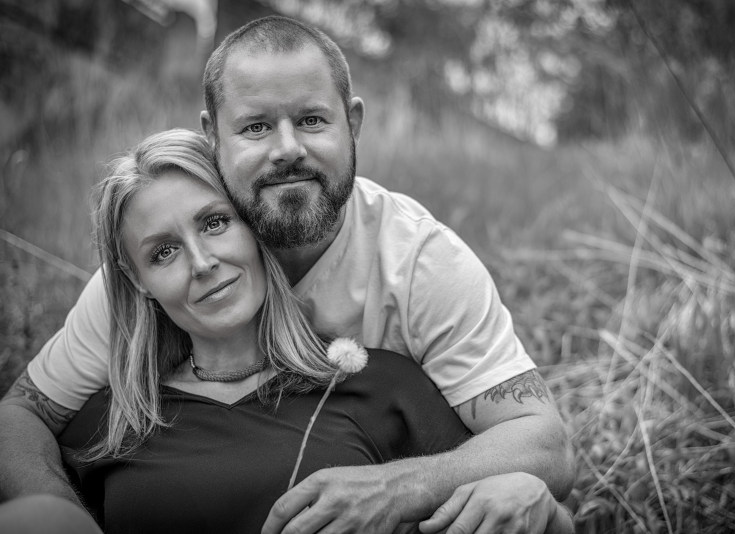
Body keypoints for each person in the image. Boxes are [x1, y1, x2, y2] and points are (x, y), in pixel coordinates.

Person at [0, 15, 574, 534]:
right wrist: (58, 515)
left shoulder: (421, 262)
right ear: (212, 137)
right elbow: (21, 415)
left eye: (312, 120)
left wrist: (396, 487)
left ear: (352, 124)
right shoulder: (154, 275)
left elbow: (543, 444)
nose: (287, 149)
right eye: (255, 127)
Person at [53, 127, 480, 533]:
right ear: (138, 281)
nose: (202, 263)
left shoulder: (381, 388)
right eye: (164, 252)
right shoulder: (108, 423)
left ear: (254, 224)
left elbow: (506, 506)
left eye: (215, 223)